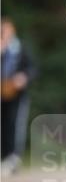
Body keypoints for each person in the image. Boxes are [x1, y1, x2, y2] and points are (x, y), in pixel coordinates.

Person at [1, 17, 36, 173]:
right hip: (2, 94)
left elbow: (33, 69)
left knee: (15, 125)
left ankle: (14, 158)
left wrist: (24, 78)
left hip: (18, 95)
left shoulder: (21, 47)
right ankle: (5, 157)